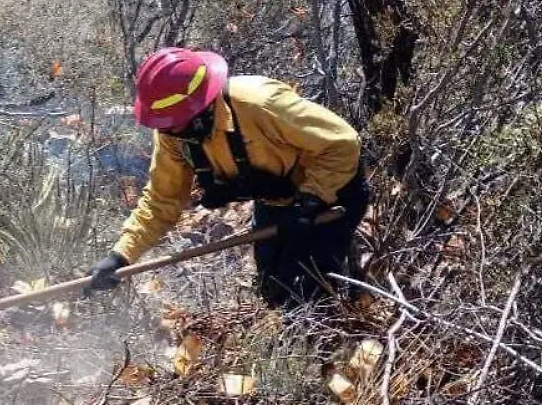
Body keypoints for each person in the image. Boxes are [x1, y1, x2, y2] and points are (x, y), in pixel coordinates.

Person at [85, 47, 370, 307]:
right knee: (274, 291)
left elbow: (342, 143)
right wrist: (120, 256)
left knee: (307, 295)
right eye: (167, 126)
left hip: (334, 192)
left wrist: (308, 204)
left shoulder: (260, 103)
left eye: (177, 125)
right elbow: (162, 200)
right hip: (277, 201)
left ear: (201, 108)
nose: (170, 133)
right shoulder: (172, 133)